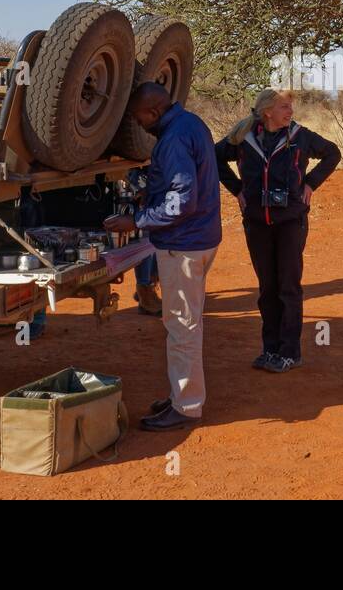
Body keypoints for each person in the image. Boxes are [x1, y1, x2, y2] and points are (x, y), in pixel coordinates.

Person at [102, 82, 222, 431]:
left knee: (182, 327)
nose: (138, 124)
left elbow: (181, 201)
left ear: (153, 112)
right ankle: (181, 395)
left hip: (183, 244)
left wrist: (136, 220)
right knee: (186, 323)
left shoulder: (171, 140)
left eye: (139, 117)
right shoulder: (191, 123)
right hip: (201, 237)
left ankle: (186, 407)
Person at [214, 89, 340, 373]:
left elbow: (333, 153)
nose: (290, 111)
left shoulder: (300, 137)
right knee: (267, 289)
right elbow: (214, 157)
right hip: (257, 223)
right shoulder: (244, 139)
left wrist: (310, 184)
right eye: (285, 106)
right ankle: (269, 349)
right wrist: (237, 190)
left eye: (291, 106)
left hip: (290, 223)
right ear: (267, 111)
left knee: (288, 288)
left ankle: (289, 353)